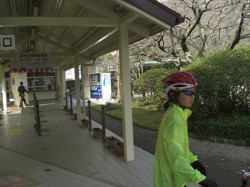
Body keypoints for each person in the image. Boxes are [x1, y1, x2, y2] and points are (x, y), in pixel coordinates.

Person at [153, 72, 218, 187]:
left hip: (173, 178)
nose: (193, 96)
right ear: (173, 94)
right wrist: (200, 179)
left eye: (194, 92)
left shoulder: (177, 113)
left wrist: (193, 160)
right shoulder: (174, 120)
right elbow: (176, 158)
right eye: (188, 92)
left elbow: (178, 147)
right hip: (170, 181)